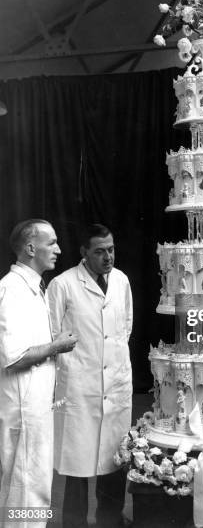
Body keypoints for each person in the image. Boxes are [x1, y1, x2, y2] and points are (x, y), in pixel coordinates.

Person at [48, 224, 133, 528]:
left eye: (110, 249)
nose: (107, 256)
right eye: (99, 251)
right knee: (78, 464)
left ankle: (111, 520)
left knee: (114, 459)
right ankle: (74, 523)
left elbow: (124, 329)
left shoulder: (121, 280)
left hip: (116, 383)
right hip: (79, 388)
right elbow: (52, 336)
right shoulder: (63, 285)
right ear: (84, 253)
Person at [0, 219, 77, 527]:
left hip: (35, 411)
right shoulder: (12, 290)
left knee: (36, 491)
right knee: (25, 492)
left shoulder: (33, 288)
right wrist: (56, 345)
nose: (58, 249)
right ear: (31, 248)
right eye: (52, 243)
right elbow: (13, 357)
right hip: (23, 414)